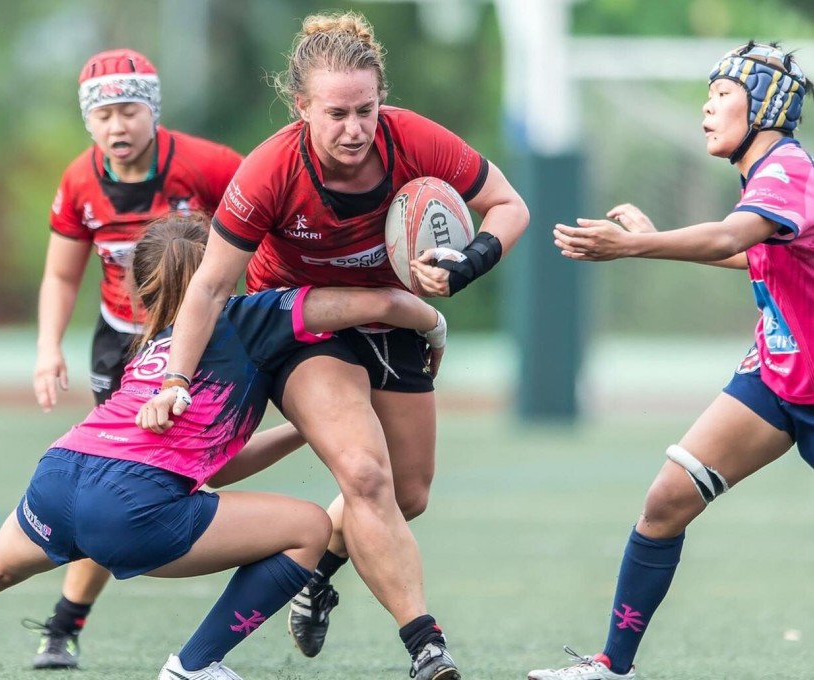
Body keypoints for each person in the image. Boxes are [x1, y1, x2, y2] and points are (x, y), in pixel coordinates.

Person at [0, 213, 449, 680]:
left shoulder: (152, 352)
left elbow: (215, 468)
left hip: (63, 471)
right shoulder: (250, 312)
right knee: (310, 526)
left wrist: (301, 433)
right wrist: (433, 323)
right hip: (131, 503)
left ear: (144, 292)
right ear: (221, 267)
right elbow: (384, 303)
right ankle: (196, 666)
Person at [135, 11, 529, 679]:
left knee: (407, 496)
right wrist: (176, 380)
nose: (353, 129)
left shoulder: (413, 141)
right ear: (302, 108)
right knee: (365, 475)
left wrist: (469, 261)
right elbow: (208, 288)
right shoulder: (270, 171)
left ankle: (316, 570)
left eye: (366, 111)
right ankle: (426, 647)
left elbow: (509, 204)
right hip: (301, 326)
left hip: (389, 317)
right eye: (337, 113)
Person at [527, 42, 812, 680]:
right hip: (776, 373)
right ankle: (612, 667)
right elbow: (749, 252)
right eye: (708, 97)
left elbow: (730, 236)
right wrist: (645, 241)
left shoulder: (788, 169)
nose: (706, 110)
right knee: (666, 501)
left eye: (722, 97)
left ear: (764, 106)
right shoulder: (764, 178)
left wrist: (634, 247)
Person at [29, 47, 242, 668]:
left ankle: (306, 562)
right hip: (122, 337)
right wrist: (48, 348)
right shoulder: (78, 181)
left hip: (206, 334)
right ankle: (64, 624)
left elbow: (265, 227)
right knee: (115, 477)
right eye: (102, 115)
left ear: (152, 109)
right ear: (88, 123)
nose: (116, 125)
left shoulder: (209, 166)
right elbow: (61, 276)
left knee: (201, 460)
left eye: (128, 110)